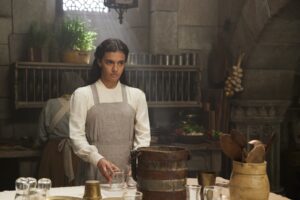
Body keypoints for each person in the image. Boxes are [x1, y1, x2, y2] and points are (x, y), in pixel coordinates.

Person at [69, 38, 151, 184]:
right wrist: (98, 159)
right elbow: (76, 137)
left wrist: (137, 164)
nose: (115, 69)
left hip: (128, 175)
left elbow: (143, 137)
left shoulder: (137, 96)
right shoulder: (83, 94)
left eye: (120, 63)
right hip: (92, 174)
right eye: (110, 62)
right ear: (99, 62)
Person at [36, 72, 84, 187]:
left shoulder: (50, 104)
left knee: (50, 190)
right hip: (77, 153)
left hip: (53, 152)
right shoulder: (83, 104)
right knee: (76, 190)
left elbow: (41, 136)